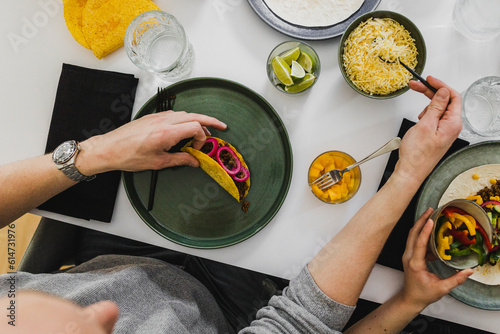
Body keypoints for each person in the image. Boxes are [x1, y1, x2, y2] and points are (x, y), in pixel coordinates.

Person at [0, 76, 472, 334]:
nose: (107, 311)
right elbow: (298, 321)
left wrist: (96, 152)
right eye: (97, 330)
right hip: (232, 311)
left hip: (111, 260)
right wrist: (409, 173)